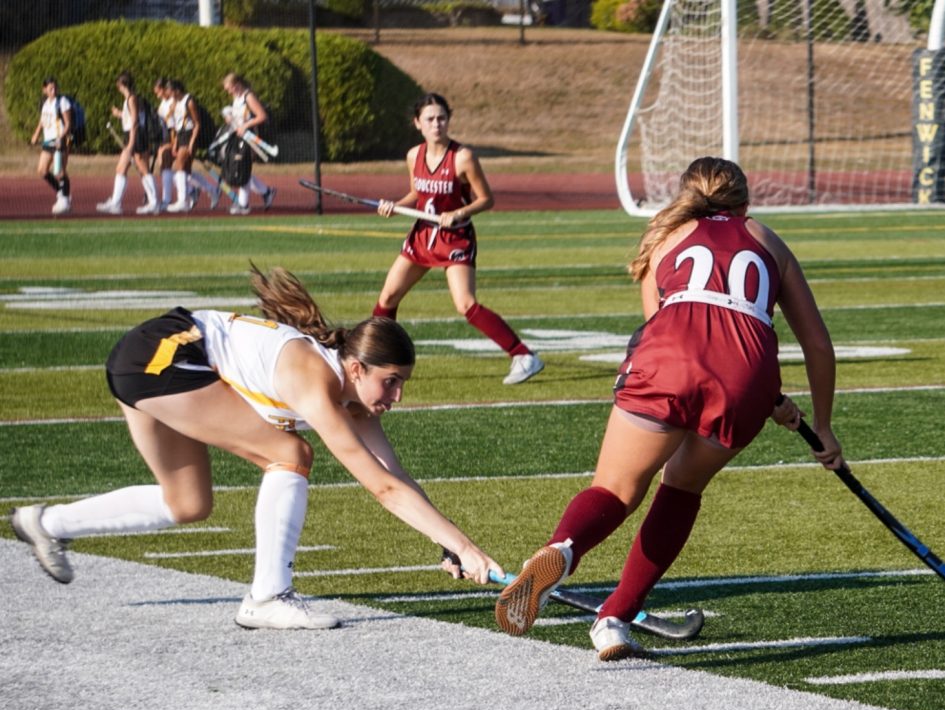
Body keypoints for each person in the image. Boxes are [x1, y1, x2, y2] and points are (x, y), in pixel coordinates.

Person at [8, 265, 503, 629]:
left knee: (187, 503)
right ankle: (267, 596)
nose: (397, 396)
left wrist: (446, 541)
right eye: (391, 382)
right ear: (357, 369)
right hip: (162, 359)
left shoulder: (353, 398)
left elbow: (395, 475)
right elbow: (380, 489)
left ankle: (48, 523)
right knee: (290, 454)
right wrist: (465, 546)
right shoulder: (315, 379)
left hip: (146, 357)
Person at [494, 157, 844, 659]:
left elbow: (672, 327)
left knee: (614, 488)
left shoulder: (664, 238)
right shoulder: (766, 238)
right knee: (681, 487)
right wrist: (821, 425)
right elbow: (816, 344)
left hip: (667, 362)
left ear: (686, 196)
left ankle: (563, 550)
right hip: (745, 379)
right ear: (745, 202)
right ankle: (613, 619)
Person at [374, 92, 544, 386]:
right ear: (418, 123)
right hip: (423, 235)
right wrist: (395, 205)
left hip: (455, 238)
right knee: (388, 297)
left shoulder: (463, 157)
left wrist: (459, 212)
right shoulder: (414, 155)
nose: (437, 124)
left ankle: (523, 356)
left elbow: (486, 199)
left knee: (465, 303)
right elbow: (419, 193)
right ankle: (375, 356)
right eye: (430, 119)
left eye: (442, 118)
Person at [96, 71, 159, 216]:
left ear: (121, 85)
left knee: (143, 169)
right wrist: (119, 114)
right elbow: (130, 117)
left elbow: (135, 121)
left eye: (118, 84)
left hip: (136, 136)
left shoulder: (131, 99)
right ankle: (116, 203)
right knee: (121, 168)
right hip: (130, 135)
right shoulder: (129, 100)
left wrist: (131, 143)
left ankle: (154, 203)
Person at [221, 73, 276, 215]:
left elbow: (262, 116)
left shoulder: (248, 96)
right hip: (238, 136)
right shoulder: (236, 97)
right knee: (238, 167)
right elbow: (240, 115)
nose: (228, 91)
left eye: (230, 88)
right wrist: (230, 116)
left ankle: (243, 204)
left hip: (249, 137)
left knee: (242, 167)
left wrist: (245, 126)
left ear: (237, 84)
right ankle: (266, 192)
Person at [165, 79, 220, 213]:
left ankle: (182, 201)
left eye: (170, 90)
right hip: (181, 135)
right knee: (187, 171)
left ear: (177, 90)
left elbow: (197, 124)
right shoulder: (175, 103)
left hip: (190, 135)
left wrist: (191, 143)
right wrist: (175, 143)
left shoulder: (189, 101)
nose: (168, 93)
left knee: (179, 167)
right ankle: (212, 190)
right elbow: (177, 125)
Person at [30, 76, 73, 216]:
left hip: (61, 141)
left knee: (59, 171)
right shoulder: (46, 103)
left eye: (55, 88)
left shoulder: (63, 102)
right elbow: (43, 120)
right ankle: (62, 193)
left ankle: (65, 200)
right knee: (42, 170)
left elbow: (68, 124)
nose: (53, 91)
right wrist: (36, 133)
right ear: (44, 90)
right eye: (50, 89)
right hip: (48, 141)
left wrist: (61, 138)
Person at [152, 77, 176, 211]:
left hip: (174, 136)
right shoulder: (163, 103)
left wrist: (172, 143)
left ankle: (167, 199)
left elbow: (173, 125)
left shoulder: (173, 102)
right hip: (165, 136)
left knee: (169, 166)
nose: (157, 95)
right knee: (169, 168)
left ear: (164, 90)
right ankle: (196, 190)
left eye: (158, 92)